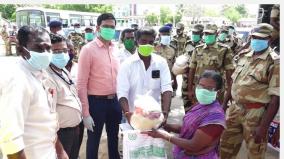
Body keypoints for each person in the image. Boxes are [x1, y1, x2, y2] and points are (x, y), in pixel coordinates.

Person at [0, 26, 66, 159]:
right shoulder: (17, 80)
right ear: (21, 50)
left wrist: (60, 151)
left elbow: (48, 122)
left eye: (48, 48)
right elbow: (11, 140)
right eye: (39, 48)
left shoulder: (41, 74)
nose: (46, 53)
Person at [220, 23, 280, 159]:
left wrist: (263, 127)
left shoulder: (275, 62)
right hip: (234, 109)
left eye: (260, 38)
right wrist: (224, 105)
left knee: (255, 153)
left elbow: (276, 99)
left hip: (256, 114)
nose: (255, 40)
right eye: (253, 36)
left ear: (269, 39)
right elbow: (233, 82)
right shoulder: (244, 55)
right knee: (225, 147)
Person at [144, 70, 226, 159]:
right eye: (201, 86)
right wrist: (165, 125)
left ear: (218, 91)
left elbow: (194, 145)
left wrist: (164, 135)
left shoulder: (215, 117)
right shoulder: (200, 105)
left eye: (209, 88)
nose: (203, 91)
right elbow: (186, 128)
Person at [77, 13, 121, 159]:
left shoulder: (115, 48)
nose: (109, 29)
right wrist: (85, 113)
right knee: (94, 140)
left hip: (114, 101)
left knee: (114, 138)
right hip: (96, 102)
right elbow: (81, 83)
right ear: (98, 28)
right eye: (106, 26)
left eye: (112, 27)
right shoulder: (88, 50)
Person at [117, 26, 172, 125]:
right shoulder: (127, 64)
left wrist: (165, 112)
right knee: (132, 140)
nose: (147, 44)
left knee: (156, 140)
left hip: (155, 116)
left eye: (150, 42)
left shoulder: (161, 63)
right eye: (143, 41)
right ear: (137, 41)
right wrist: (127, 113)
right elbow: (122, 92)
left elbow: (167, 88)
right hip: (133, 117)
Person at [47, 33, 82, 159]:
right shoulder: (47, 76)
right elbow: (49, 114)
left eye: (64, 50)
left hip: (74, 129)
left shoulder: (63, 70)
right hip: (61, 133)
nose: (61, 54)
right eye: (56, 51)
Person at [187, 23, 234, 110]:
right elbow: (192, 69)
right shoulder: (198, 49)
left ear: (216, 34)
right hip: (199, 89)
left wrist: (228, 95)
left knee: (213, 116)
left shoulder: (224, 50)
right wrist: (189, 90)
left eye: (210, 34)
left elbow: (229, 74)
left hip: (215, 90)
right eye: (206, 34)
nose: (207, 36)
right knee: (198, 113)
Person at [182, 24, 204, 112]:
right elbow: (185, 56)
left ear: (201, 34)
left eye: (196, 33)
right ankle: (188, 119)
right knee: (186, 99)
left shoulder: (204, 45)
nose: (194, 34)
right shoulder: (188, 43)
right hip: (187, 77)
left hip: (199, 78)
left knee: (198, 102)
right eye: (193, 32)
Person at [154, 26, 176, 97]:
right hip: (155, 80)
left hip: (167, 81)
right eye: (164, 35)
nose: (166, 36)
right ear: (159, 35)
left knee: (167, 104)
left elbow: (173, 67)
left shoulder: (172, 50)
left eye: (168, 35)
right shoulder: (153, 48)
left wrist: (175, 81)